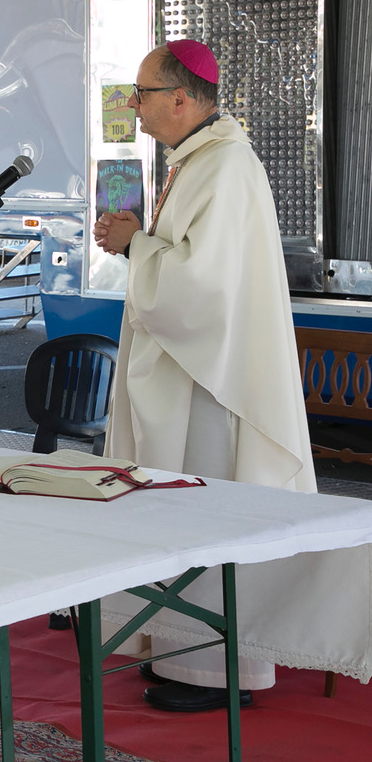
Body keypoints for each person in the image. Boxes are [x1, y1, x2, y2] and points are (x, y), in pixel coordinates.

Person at [93, 40, 316, 712]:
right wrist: (138, 240)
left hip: (212, 385)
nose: (134, 105)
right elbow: (184, 263)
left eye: (142, 93)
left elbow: (204, 288)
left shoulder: (225, 166)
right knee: (177, 517)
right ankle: (179, 654)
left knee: (207, 517)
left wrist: (135, 243)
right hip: (189, 371)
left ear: (181, 99)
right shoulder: (198, 159)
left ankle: (221, 674)